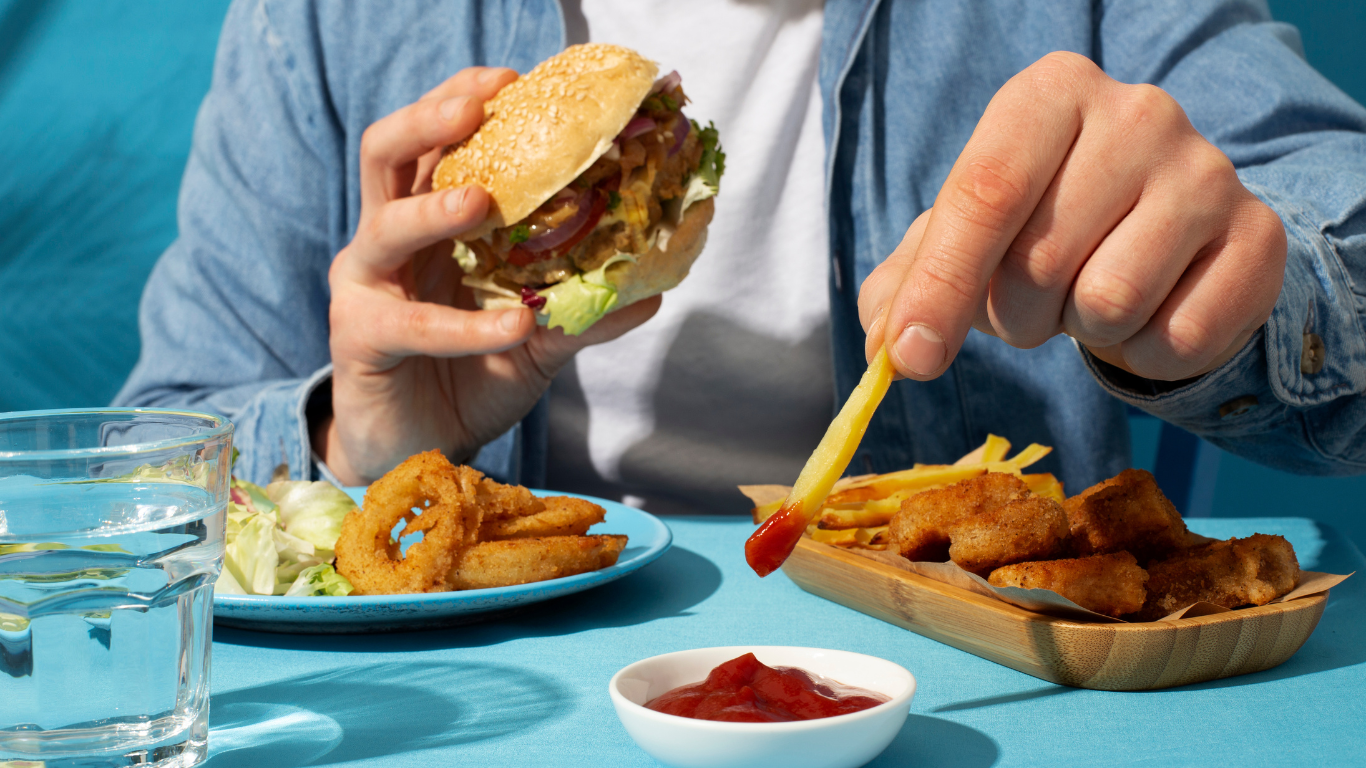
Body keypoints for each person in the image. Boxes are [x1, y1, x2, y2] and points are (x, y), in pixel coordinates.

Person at [116, 1, 1366, 514]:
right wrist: (366, 447)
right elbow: (149, 457)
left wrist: (1236, 293)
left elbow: (1334, 218)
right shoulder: (330, 19)